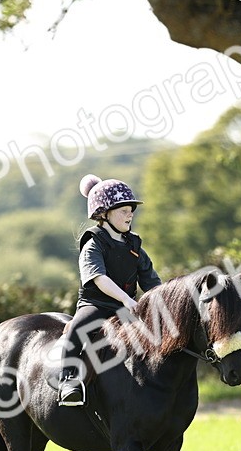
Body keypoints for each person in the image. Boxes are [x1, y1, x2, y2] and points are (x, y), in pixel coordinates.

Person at [56, 173, 162, 406]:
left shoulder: (134, 245)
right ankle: (68, 381)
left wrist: (165, 301)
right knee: (77, 329)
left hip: (127, 308)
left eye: (131, 210)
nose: (130, 214)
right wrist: (126, 299)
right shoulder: (93, 243)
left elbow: (152, 282)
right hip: (97, 305)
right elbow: (99, 279)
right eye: (123, 210)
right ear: (103, 214)